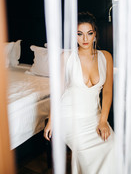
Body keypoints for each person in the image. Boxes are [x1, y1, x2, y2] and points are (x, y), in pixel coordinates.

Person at [44, 12, 115, 173]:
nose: (85, 39)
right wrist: (51, 120)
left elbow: (108, 91)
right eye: (79, 34)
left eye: (89, 33)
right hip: (69, 117)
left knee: (112, 146)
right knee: (85, 153)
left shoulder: (106, 57)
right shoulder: (66, 57)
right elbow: (57, 92)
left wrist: (103, 121)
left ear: (95, 34)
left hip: (95, 117)